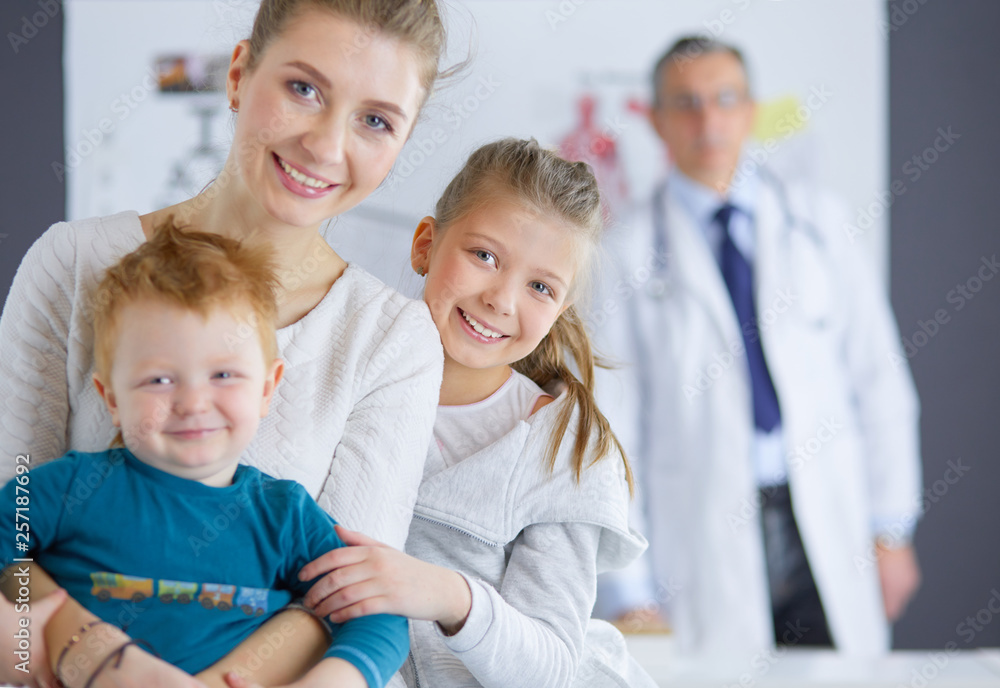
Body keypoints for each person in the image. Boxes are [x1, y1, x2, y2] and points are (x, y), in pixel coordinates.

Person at [0, 1, 451, 685]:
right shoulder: (71, 264)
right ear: (240, 74)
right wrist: (98, 659)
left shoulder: (391, 340)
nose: (327, 146)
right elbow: (11, 544)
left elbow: (346, 601)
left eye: (376, 120)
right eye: (304, 89)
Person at [278, 138, 658, 687]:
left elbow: (550, 665)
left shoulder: (561, 446)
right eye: (484, 256)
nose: (502, 300)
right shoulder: (340, 374)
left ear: (560, 311)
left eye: (540, 287)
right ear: (426, 244)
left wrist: (443, 593)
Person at [593, 36, 923, 657]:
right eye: (686, 103)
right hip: (701, 539)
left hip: (825, 518)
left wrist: (892, 529)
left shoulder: (819, 224)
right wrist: (627, 586)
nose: (708, 120)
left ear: (750, 110)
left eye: (724, 99)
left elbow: (878, 379)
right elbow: (613, 431)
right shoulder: (623, 256)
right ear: (656, 119)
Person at [1, 222, 409, 688]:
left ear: (267, 389)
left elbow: (379, 612)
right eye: (159, 380)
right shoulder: (70, 488)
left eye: (223, 375)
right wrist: (46, 629)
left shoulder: (285, 515)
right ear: (111, 398)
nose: (193, 403)